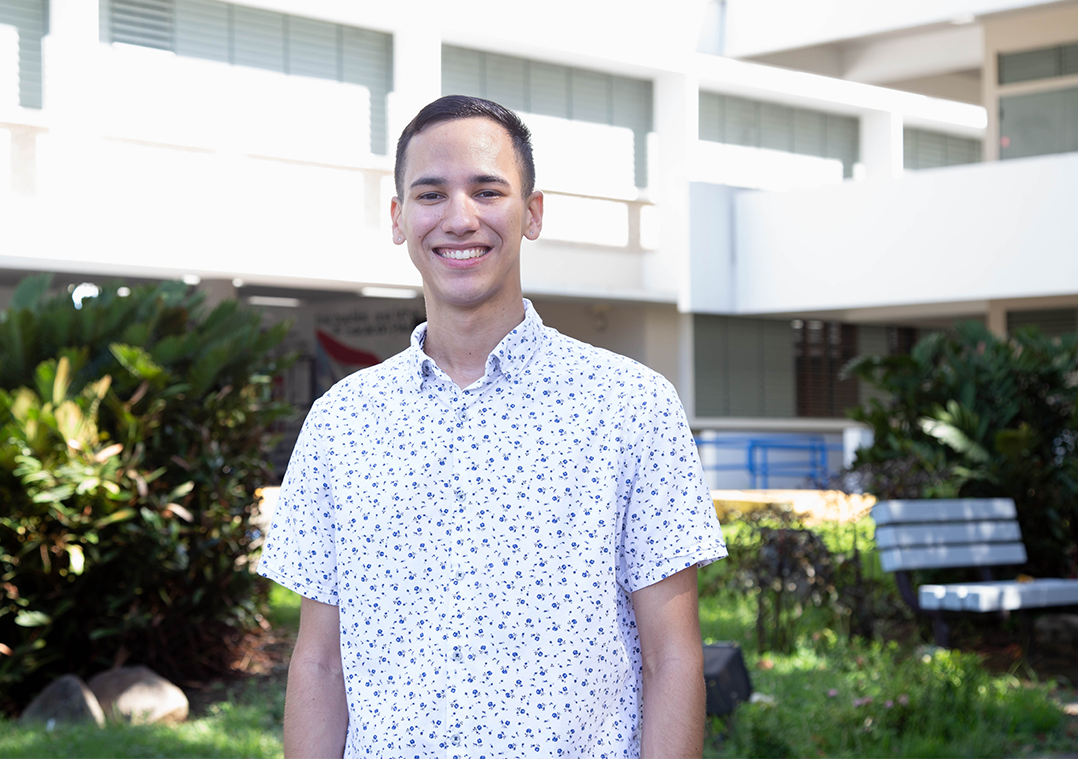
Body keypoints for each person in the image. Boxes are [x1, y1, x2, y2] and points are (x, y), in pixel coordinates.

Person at [258, 95, 727, 758]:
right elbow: (319, 665)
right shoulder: (341, 422)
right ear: (398, 218)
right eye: (430, 194)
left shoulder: (631, 406)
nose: (460, 217)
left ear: (531, 212)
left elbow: (673, 657)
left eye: (487, 190)